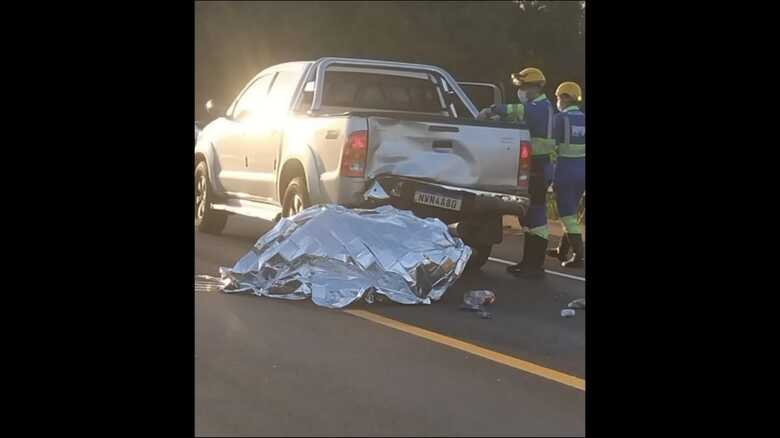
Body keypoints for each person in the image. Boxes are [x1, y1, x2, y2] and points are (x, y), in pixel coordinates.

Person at [479, 67, 556, 278]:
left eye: (524, 87)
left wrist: (493, 109)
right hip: (535, 166)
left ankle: (533, 265)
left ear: (537, 87)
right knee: (530, 217)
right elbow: (520, 122)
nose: (521, 90)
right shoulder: (535, 106)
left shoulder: (540, 106)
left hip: (539, 167)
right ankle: (529, 262)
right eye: (520, 86)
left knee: (536, 216)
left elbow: (521, 113)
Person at [549, 81, 586, 268]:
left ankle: (579, 256)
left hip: (565, 172)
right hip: (582, 173)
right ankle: (562, 250)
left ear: (565, 98)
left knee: (566, 215)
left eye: (558, 97)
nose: (557, 101)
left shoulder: (560, 119)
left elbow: (549, 146)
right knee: (571, 211)